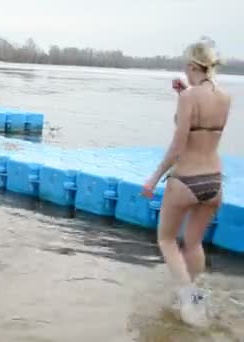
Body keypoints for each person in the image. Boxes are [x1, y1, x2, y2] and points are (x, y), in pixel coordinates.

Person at [142, 39, 230, 328]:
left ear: (193, 66)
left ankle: (188, 298)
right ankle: (196, 300)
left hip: (186, 179)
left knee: (166, 240)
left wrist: (154, 178)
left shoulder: (189, 97)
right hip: (214, 181)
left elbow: (179, 145)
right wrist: (184, 94)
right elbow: (202, 131)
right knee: (193, 243)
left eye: (186, 68)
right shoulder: (225, 96)